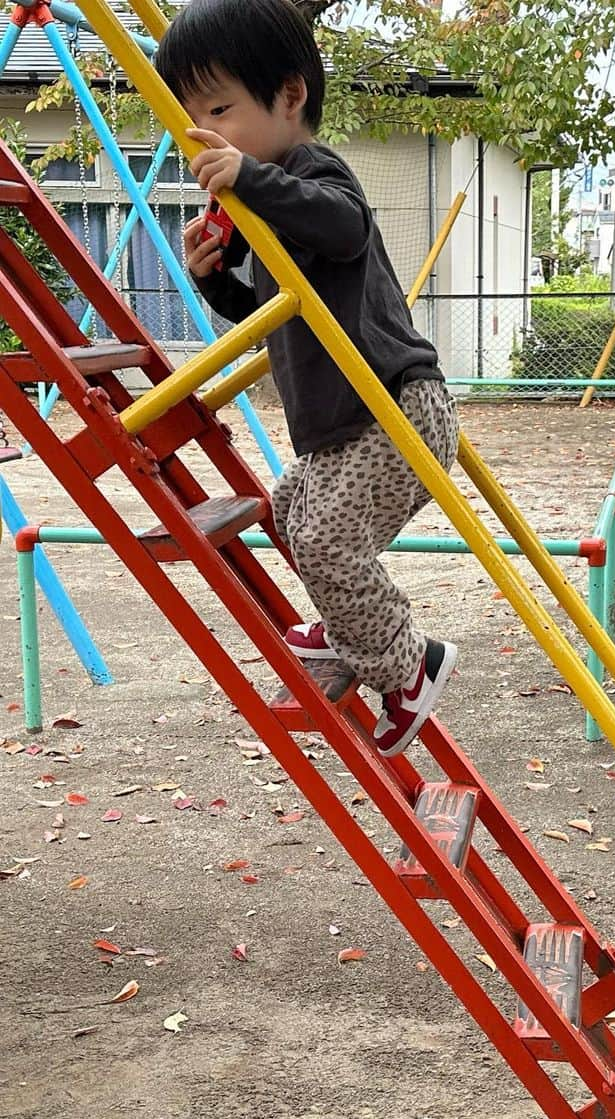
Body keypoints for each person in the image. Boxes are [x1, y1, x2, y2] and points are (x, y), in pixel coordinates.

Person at [157, 0, 459, 756]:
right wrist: (216, 279)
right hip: (346, 424)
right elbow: (273, 309)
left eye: (219, 109)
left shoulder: (308, 173)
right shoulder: (272, 197)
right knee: (292, 512)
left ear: (290, 96)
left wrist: (254, 179)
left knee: (325, 537)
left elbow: (346, 224)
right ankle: (343, 624)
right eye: (189, 117)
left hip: (393, 407)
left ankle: (409, 665)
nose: (204, 133)